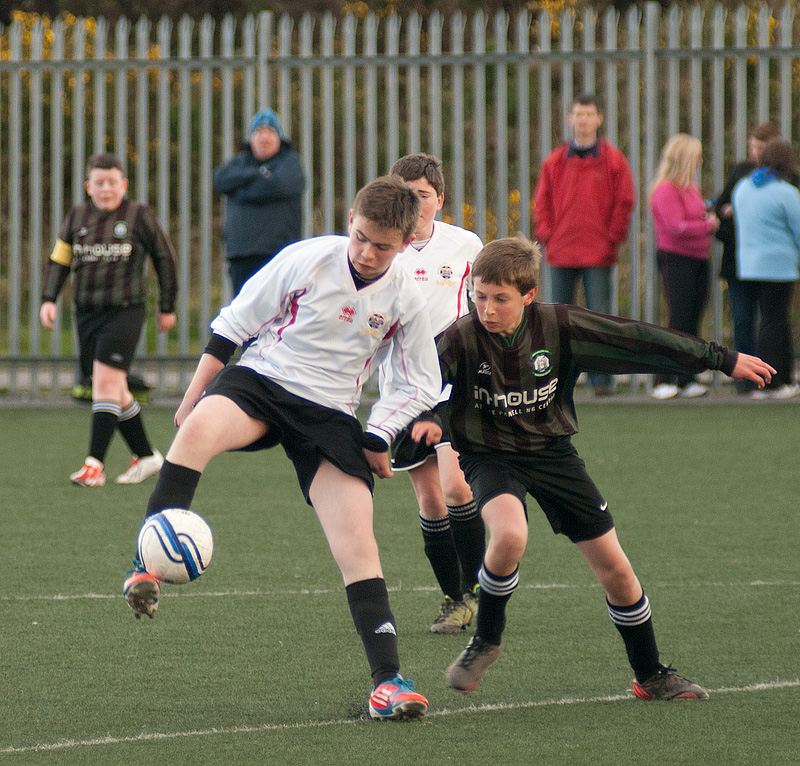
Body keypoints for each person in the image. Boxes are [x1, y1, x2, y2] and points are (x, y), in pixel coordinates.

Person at [123, 176, 440, 721]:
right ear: (350, 220)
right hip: (264, 382)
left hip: (331, 414)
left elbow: (418, 383)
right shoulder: (308, 258)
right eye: (360, 237)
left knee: (357, 541)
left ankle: (387, 684)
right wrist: (195, 395)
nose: (367, 253)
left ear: (407, 243)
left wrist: (378, 434)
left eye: (383, 246)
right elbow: (236, 323)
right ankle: (145, 566)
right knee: (197, 430)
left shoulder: (407, 298)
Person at [413, 236, 773, 699]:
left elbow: (637, 338)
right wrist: (425, 417)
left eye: (500, 299)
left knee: (617, 571)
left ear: (529, 295)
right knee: (509, 535)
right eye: (479, 296)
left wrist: (722, 359)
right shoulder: (460, 337)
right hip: (490, 456)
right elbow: (419, 384)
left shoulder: (559, 326)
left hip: (553, 454)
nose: (487, 309)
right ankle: (486, 641)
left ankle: (650, 675)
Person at [387, 153, 485, 635]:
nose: (415, 202)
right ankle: (453, 598)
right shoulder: (382, 246)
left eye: (423, 195)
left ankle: (477, 589)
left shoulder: (465, 244)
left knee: (456, 487)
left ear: (440, 199)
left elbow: (482, 307)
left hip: (452, 383)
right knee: (429, 501)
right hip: (402, 388)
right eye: (406, 194)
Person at [40, 152, 177, 487]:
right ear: (88, 186)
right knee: (114, 387)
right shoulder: (76, 217)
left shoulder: (139, 215)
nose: (106, 189)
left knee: (104, 383)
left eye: (112, 182)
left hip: (125, 311)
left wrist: (167, 306)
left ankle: (94, 466)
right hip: (86, 313)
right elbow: (60, 260)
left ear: (124, 185)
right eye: (99, 183)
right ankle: (146, 456)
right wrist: (48, 298)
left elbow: (164, 258)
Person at [532, 92, 636, 396]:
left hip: (598, 253)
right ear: (569, 118)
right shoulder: (554, 161)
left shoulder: (614, 160)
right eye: (578, 114)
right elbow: (541, 203)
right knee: (556, 321)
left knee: (597, 319)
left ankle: (600, 380)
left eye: (589, 114)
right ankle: (556, 380)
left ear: (599, 119)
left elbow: (625, 201)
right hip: (561, 251)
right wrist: (548, 235)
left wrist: (612, 238)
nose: (583, 120)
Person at [649, 134, 720, 400]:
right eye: (697, 156)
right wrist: (707, 225)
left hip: (698, 258)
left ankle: (686, 376)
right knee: (678, 318)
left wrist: (706, 218)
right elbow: (676, 227)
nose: (700, 161)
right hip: (676, 259)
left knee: (692, 319)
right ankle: (663, 378)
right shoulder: (666, 189)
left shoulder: (691, 187)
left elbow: (694, 217)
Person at [714, 122, 782, 392]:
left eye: (760, 147)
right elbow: (721, 206)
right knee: (742, 320)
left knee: (771, 321)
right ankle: (744, 379)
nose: (755, 153)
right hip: (737, 260)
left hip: (770, 262)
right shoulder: (740, 172)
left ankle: (770, 376)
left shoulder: (786, 177)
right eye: (752, 147)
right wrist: (727, 214)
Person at [733, 138, 800, 400]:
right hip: (778, 267)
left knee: (758, 322)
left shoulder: (743, 187)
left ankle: (774, 379)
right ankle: (772, 382)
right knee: (775, 323)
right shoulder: (786, 192)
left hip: (748, 265)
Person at [213, 108, 305, 296]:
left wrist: (241, 190)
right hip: (241, 256)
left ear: (279, 138)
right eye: (259, 131)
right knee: (243, 310)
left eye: (270, 131)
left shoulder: (290, 162)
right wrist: (258, 174)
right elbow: (220, 180)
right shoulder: (239, 162)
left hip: (279, 255)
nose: (264, 137)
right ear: (251, 138)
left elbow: (279, 186)